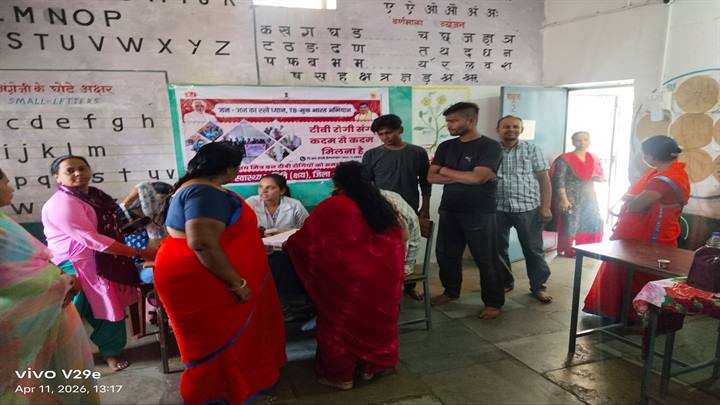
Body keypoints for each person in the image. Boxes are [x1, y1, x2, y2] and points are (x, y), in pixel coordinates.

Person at [153, 142, 286, 404]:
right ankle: (218, 392)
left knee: (221, 338)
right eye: (237, 168)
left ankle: (235, 385)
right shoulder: (204, 193)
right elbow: (202, 244)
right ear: (228, 169)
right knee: (215, 340)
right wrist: (238, 284)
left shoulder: (198, 188)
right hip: (206, 279)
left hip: (204, 274)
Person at [285, 161, 405, 390]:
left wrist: (290, 244)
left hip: (349, 284)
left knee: (339, 326)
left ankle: (341, 377)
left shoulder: (333, 206)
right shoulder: (382, 204)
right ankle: (372, 368)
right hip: (384, 280)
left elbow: (304, 242)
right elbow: (401, 237)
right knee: (377, 322)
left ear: (337, 182)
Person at [41, 155, 157, 371]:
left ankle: (111, 352)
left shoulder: (95, 197)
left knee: (110, 307)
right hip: (73, 264)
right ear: (57, 178)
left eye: (82, 168)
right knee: (68, 315)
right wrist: (140, 252)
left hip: (101, 261)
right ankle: (53, 359)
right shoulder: (62, 203)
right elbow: (92, 239)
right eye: (70, 170)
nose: (78, 173)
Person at [0, 168, 100, 405]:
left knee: (57, 375)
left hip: (54, 305)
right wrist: (63, 283)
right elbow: (14, 279)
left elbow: (36, 260)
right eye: (5, 183)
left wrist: (63, 278)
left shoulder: (4, 220)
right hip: (26, 317)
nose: (11, 189)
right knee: (26, 382)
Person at [583, 135, 690, 320]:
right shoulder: (678, 172)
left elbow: (636, 206)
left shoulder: (661, 179)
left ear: (651, 156)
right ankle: (644, 316)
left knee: (634, 271)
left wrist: (630, 200)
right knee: (653, 273)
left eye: (644, 154)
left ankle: (629, 314)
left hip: (649, 233)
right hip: (666, 229)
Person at [427, 102, 505, 320]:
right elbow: (431, 176)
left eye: (453, 121)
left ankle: (493, 302)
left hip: (479, 211)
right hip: (450, 208)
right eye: (448, 121)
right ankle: (451, 291)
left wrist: (446, 170)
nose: (449, 125)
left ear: (470, 121)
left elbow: (477, 178)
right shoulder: (446, 146)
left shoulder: (489, 146)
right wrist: (466, 176)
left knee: (486, 259)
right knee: (446, 254)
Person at [363, 113, 431, 300]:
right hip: (382, 211)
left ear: (400, 130)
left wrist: (425, 207)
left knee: (410, 247)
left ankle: (409, 286)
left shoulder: (417, 153)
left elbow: (425, 182)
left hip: (410, 208)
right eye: (381, 134)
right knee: (384, 249)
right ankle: (385, 286)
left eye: (389, 132)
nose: (385, 137)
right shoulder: (372, 155)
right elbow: (366, 184)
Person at [495, 115, 553, 303]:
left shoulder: (533, 149)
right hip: (497, 208)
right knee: (497, 249)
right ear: (498, 130)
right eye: (506, 126)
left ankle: (538, 286)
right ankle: (505, 282)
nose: (510, 129)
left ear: (521, 129)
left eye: (515, 126)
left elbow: (544, 180)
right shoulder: (491, 150)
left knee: (533, 249)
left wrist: (545, 207)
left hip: (528, 208)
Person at [246, 174, 309, 309]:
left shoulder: (294, 205)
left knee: (281, 259)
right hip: (258, 248)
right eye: (261, 187)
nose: (263, 191)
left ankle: (285, 301)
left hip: (286, 249)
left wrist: (284, 232)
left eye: (270, 188)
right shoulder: (250, 203)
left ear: (282, 191)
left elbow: (307, 229)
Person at [548, 131, 605, 257]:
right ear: (573, 142)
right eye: (578, 140)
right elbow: (558, 180)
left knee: (593, 220)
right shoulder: (564, 159)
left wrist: (597, 178)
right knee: (571, 223)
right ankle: (569, 249)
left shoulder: (592, 157)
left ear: (589, 141)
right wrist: (563, 199)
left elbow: (594, 175)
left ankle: (589, 247)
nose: (582, 142)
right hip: (570, 196)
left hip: (589, 196)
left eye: (585, 139)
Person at [380, 188, 422, 278]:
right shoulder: (376, 197)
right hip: (391, 255)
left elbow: (399, 257)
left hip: (402, 265)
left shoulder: (394, 211)